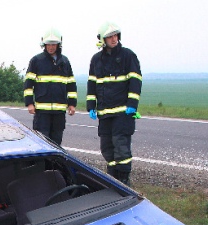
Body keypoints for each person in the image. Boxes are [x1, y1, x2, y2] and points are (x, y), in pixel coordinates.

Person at [87, 21, 142, 186]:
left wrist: (132, 104)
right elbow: (92, 84)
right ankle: (112, 180)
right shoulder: (96, 60)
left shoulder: (128, 56)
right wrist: (91, 106)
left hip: (122, 113)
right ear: (102, 39)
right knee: (107, 148)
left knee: (121, 148)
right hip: (104, 113)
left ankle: (124, 182)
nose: (113, 39)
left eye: (115, 35)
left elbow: (135, 81)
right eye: (109, 36)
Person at [23, 28, 77, 145]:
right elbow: (28, 84)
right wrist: (30, 103)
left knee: (56, 142)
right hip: (42, 111)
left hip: (59, 111)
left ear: (58, 45)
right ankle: (43, 164)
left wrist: (72, 104)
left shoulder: (65, 61)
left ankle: (54, 164)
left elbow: (71, 84)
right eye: (48, 44)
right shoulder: (37, 60)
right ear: (44, 44)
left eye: (54, 44)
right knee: (42, 141)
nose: (51, 47)